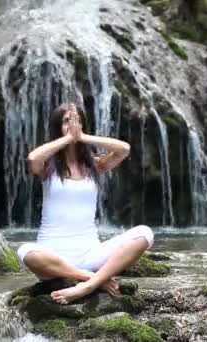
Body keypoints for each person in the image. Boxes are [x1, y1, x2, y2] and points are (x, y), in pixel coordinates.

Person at [16, 102, 154, 305]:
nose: (73, 125)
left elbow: (124, 149)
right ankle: (91, 278)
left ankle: (87, 285)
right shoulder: (47, 166)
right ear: (57, 127)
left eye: (78, 121)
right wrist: (68, 138)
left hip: (91, 255)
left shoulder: (94, 165)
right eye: (66, 121)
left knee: (145, 234)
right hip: (53, 259)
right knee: (24, 252)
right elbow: (32, 157)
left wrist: (82, 137)